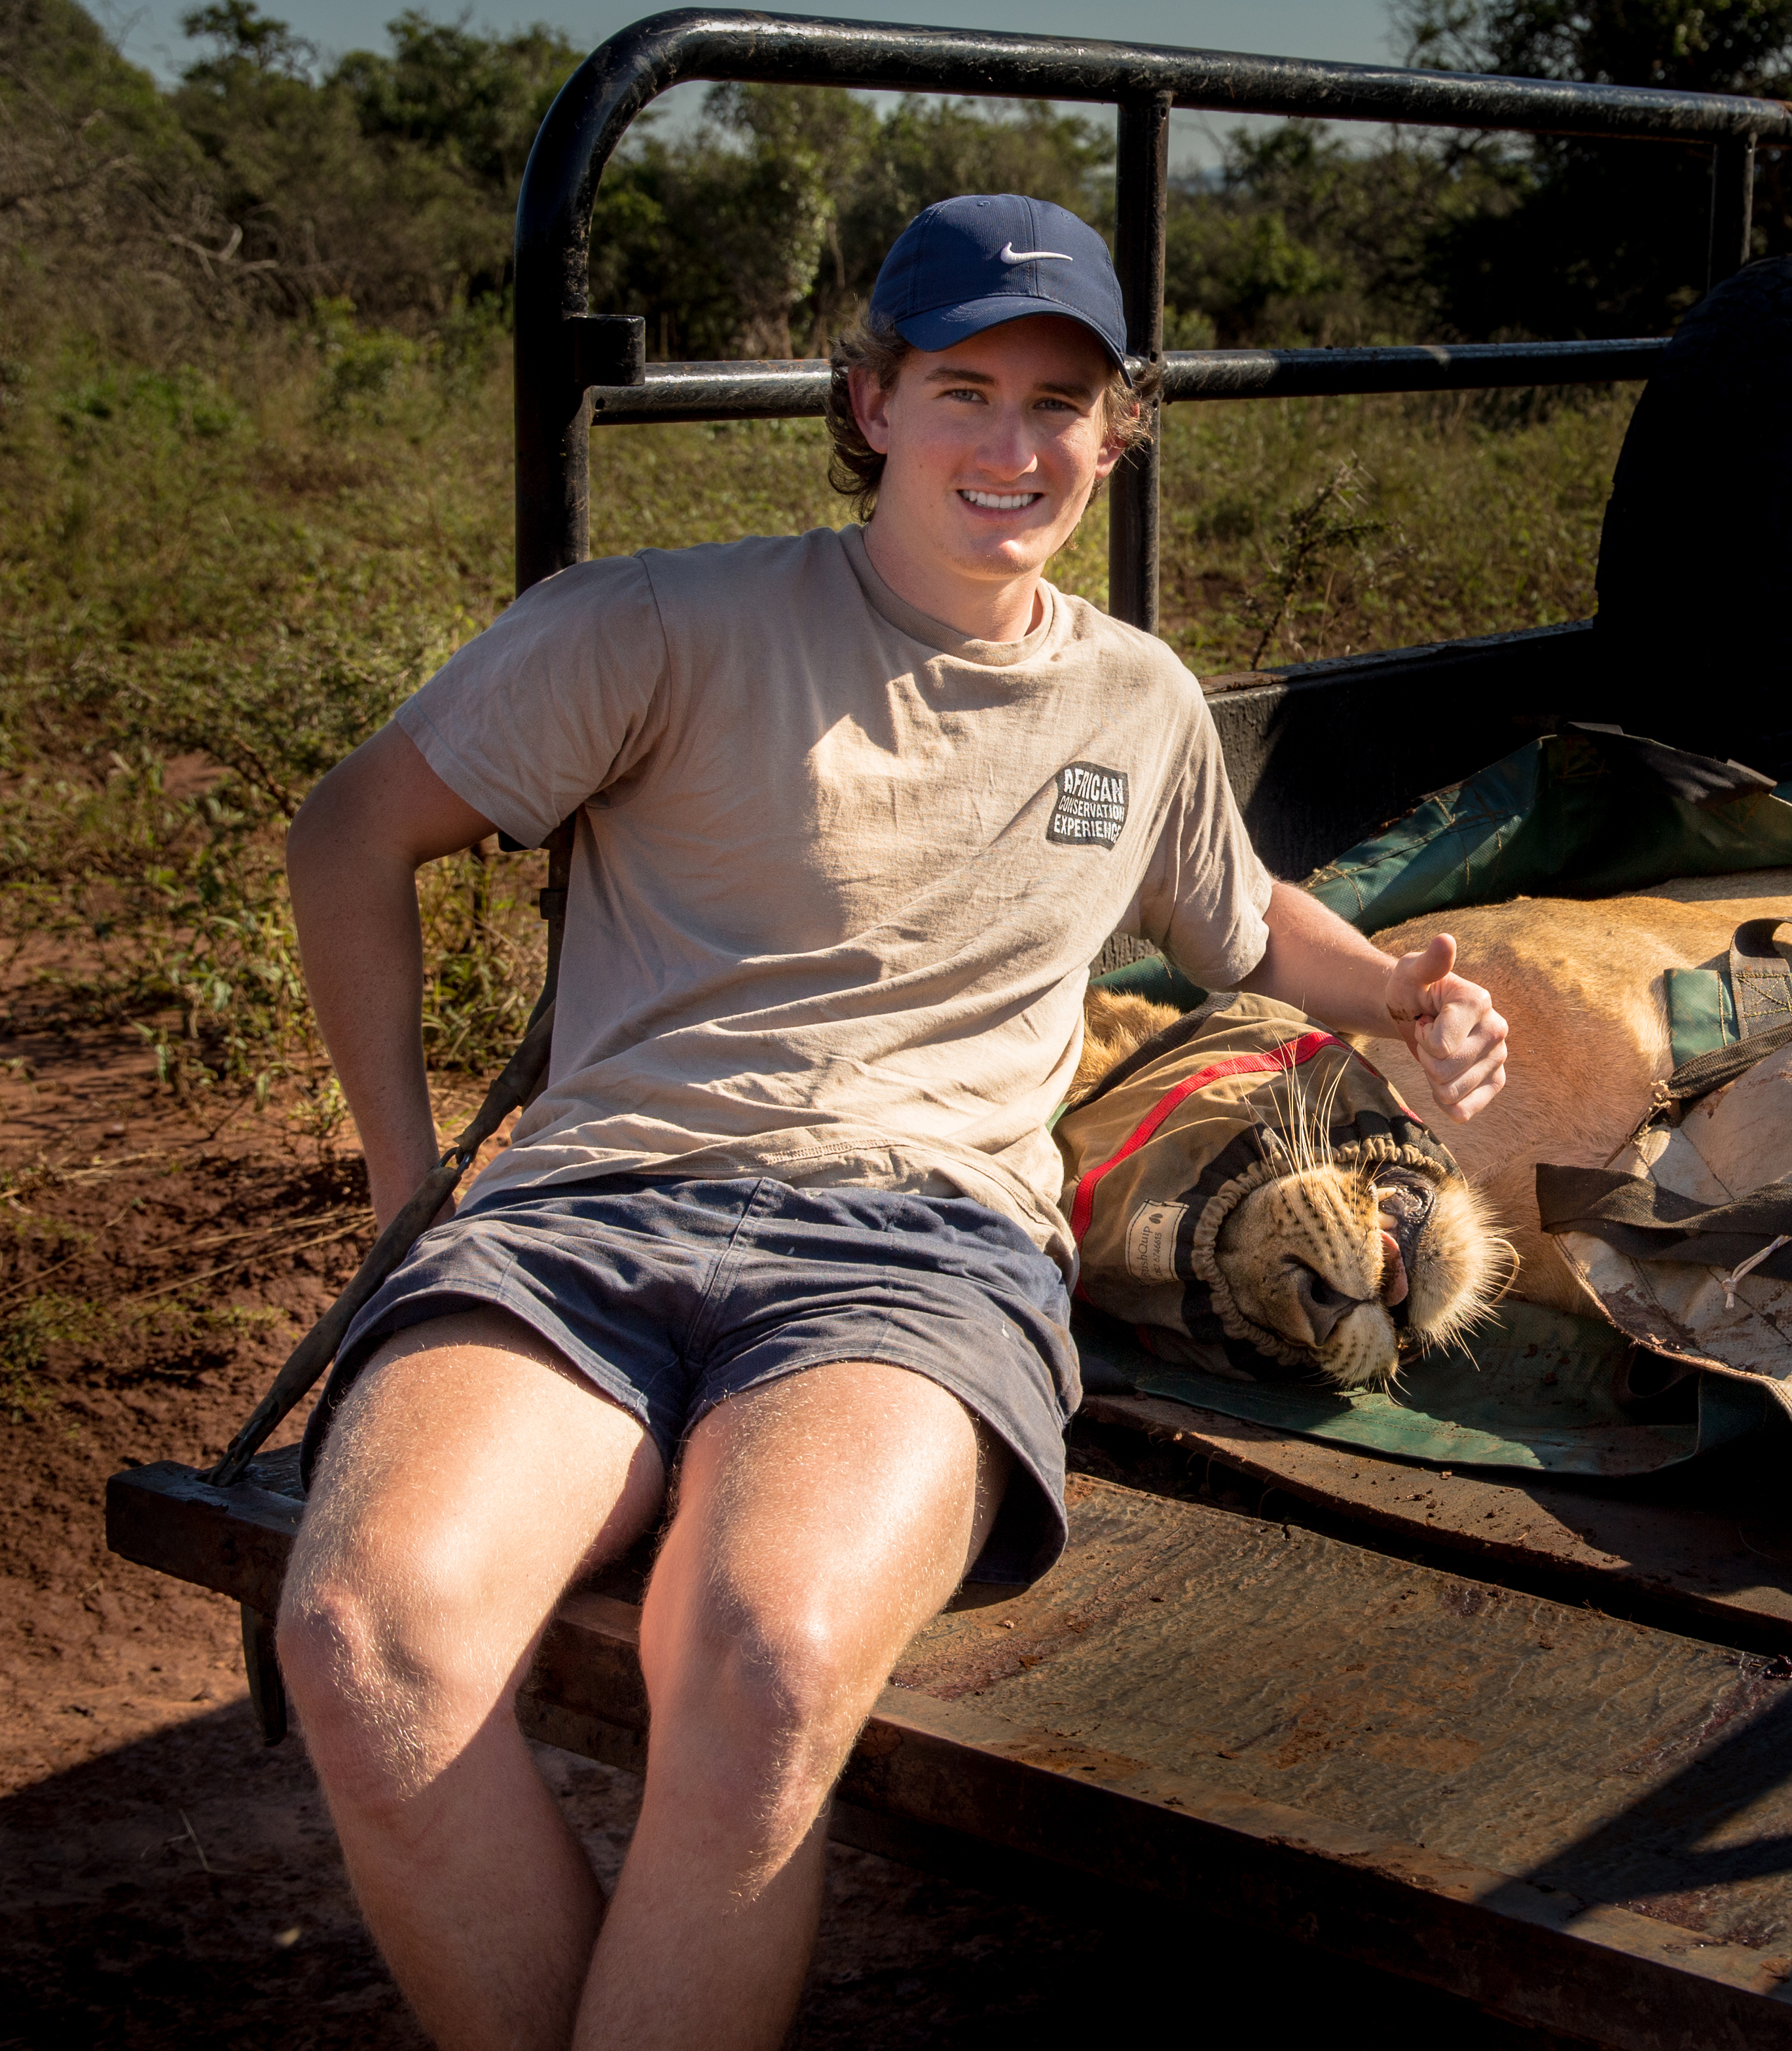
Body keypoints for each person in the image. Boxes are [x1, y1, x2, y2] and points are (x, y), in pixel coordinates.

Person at [269, 193, 1509, 2051]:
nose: (1010, 446)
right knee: (369, 1650)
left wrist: (1405, 993)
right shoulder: (660, 625)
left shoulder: (1133, 698)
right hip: (592, 1214)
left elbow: (1242, 922)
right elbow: (350, 831)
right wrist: (405, 1180)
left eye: (1057, 403)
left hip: (914, 1245)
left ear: (1118, 428)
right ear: (866, 403)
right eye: (961, 390)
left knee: (762, 1670)